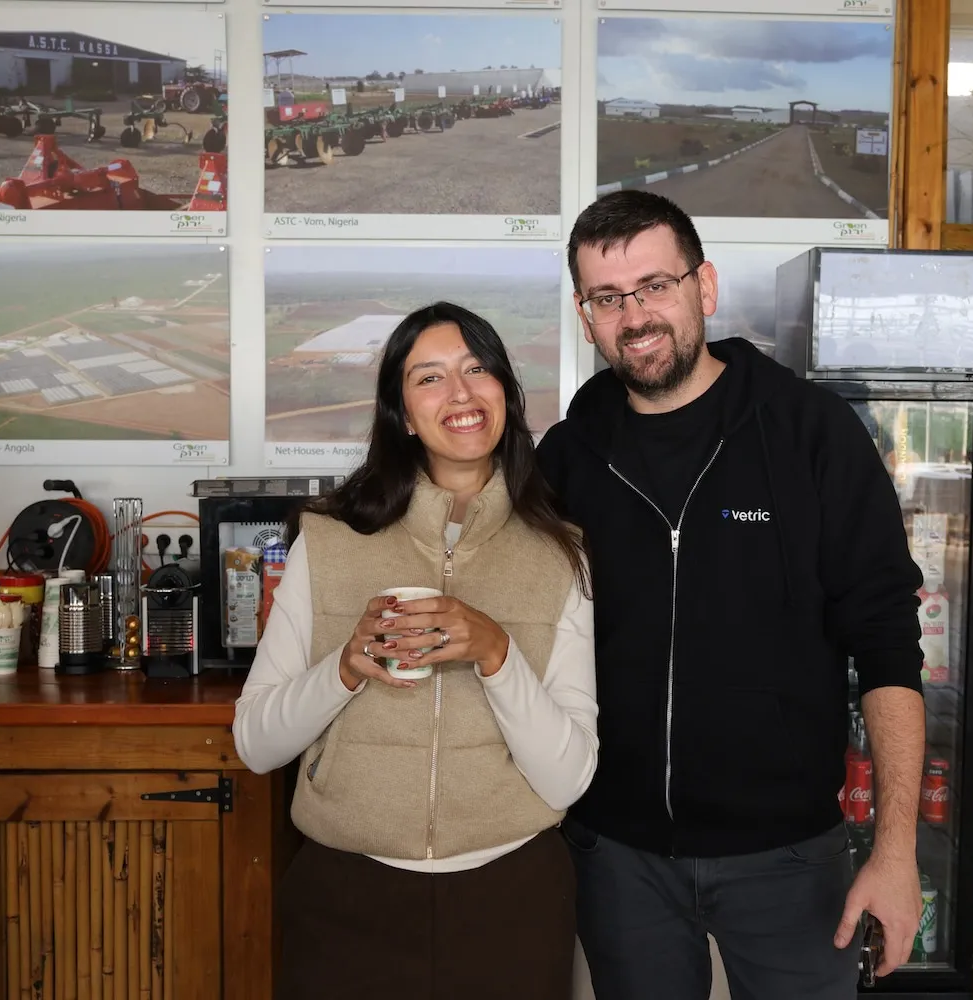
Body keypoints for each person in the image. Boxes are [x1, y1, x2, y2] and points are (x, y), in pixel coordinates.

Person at [537, 190, 926, 1000]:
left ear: (704, 288)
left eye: (655, 286)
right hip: (618, 855)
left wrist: (896, 852)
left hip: (789, 857)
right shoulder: (569, 458)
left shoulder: (812, 433)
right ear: (585, 316)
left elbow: (889, 645)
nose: (634, 317)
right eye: (608, 298)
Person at [234, 301, 598, 1000]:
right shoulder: (330, 539)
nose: (460, 393)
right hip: (346, 896)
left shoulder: (561, 554)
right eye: (429, 378)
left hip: (512, 899)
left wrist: (497, 653)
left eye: (477, 369)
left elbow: (568, 780)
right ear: (402, 414)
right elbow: (255, 745)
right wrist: (343, 669)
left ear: (505, 392)